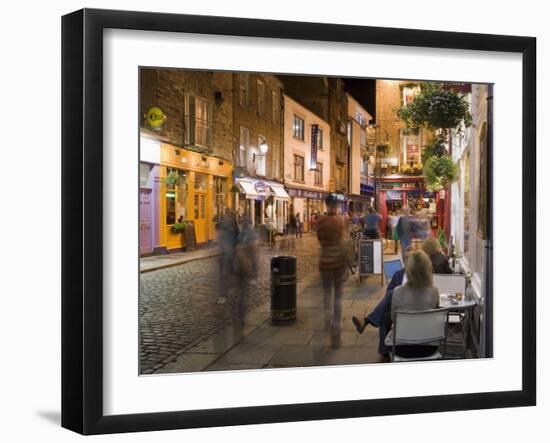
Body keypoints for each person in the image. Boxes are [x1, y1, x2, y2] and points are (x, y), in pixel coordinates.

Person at [351, 245, 415, 362]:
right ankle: (384, 352)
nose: (407, 261)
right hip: (399, 312)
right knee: (385, 315)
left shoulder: (421, 276)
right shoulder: (398, 275)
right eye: (405, 258)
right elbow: (387, 298)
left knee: (391, 296)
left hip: (414, 311)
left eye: (410, 258)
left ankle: (367, 321)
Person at [390, 250, 440, 358]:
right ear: (428, 269)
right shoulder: (434, 292)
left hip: (402, 347)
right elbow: (434, 318)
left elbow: (393, 319)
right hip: (428, 346)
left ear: (409, 270)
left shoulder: (397, 292)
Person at [316, 208, 347, 348]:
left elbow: (319, 239)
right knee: (338, 297)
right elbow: (342, 240)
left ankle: (327, 320)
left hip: (324, 261)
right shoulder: (339, 222)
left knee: (326, 292)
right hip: (338, 263)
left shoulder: (320, 221)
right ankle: (336, 333)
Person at [233, 216, 258, 325]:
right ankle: (241, 314)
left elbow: (236, 248)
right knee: (243, 291)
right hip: (246, 266)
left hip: (239, 266)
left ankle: (238, 312)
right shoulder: (252, 234)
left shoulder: (240, 234)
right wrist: (254, 272)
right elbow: (254, 254)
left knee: (239, 290)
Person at [216, 208, 239, 304]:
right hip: (228, 252)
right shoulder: (233, 224)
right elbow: (237, 236)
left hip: (223, 252)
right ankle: (224, 294)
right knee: (225, 273)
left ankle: (223, 294)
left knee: (223, 274)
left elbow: (219, 235)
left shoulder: (221, 223)